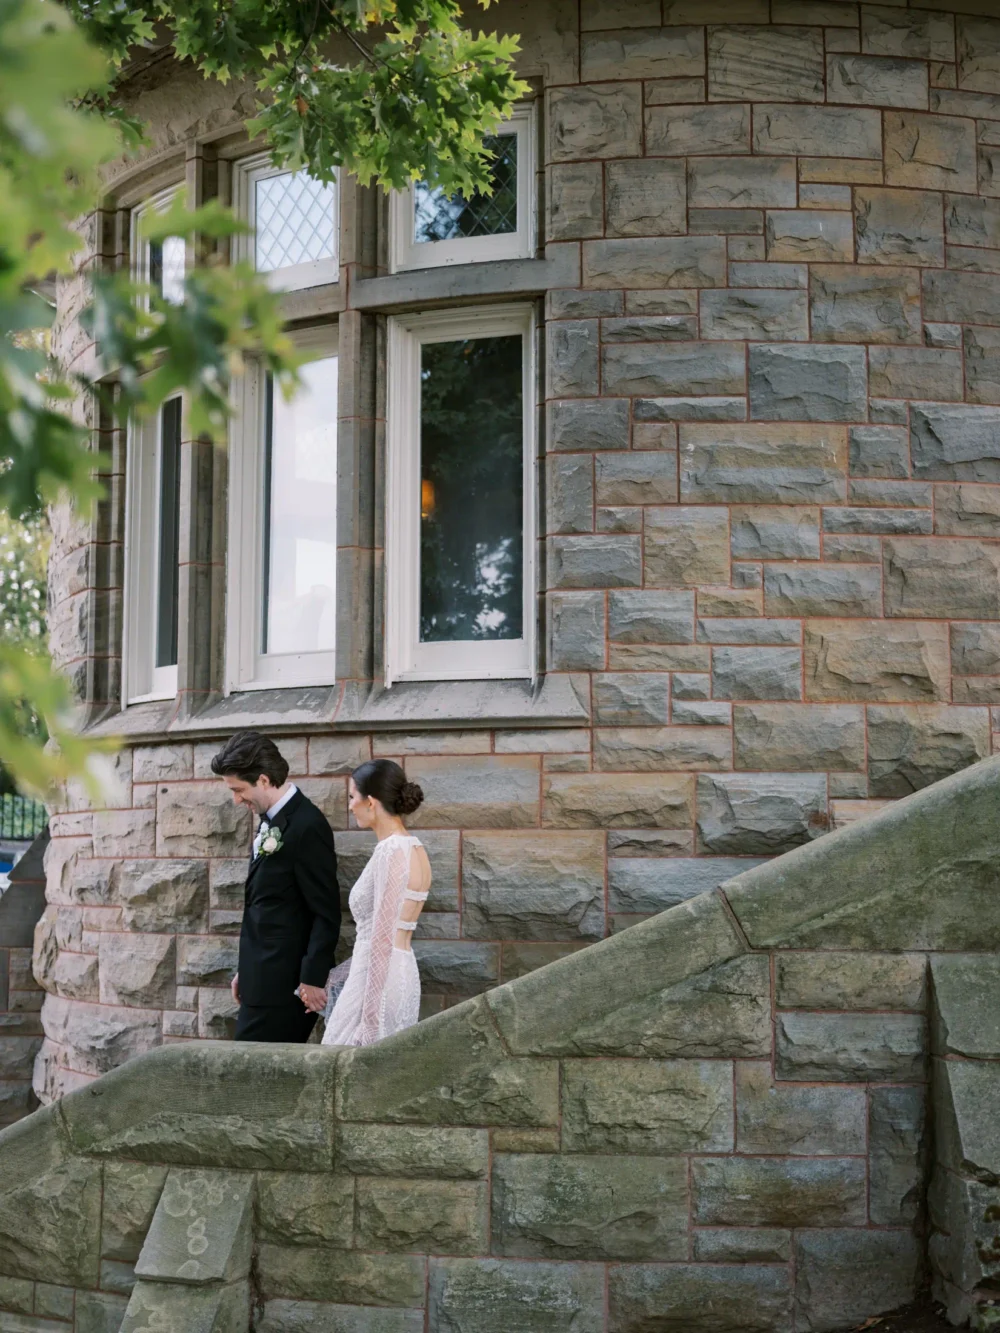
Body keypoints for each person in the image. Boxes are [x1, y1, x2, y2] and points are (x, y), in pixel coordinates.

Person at [211, 730, 340, 1042]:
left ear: (264, 780)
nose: (235, 798)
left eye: (239, 789)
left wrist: (311, 979)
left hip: (287, 989)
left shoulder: (307, 826)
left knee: (251, 1083)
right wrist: (248, 970)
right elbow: (266, 907)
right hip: (261, 981)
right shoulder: (271, 820)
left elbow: (326, 912)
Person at [307, 759, 431, 1046]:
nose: (350, 806)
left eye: (352, 797)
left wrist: (370, 1021)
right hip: (394, 973)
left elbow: (382, 941)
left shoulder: (392, 851)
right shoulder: (413, 847)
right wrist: (334, 979)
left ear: (371, 802)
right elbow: (379, 937)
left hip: (378, 984)